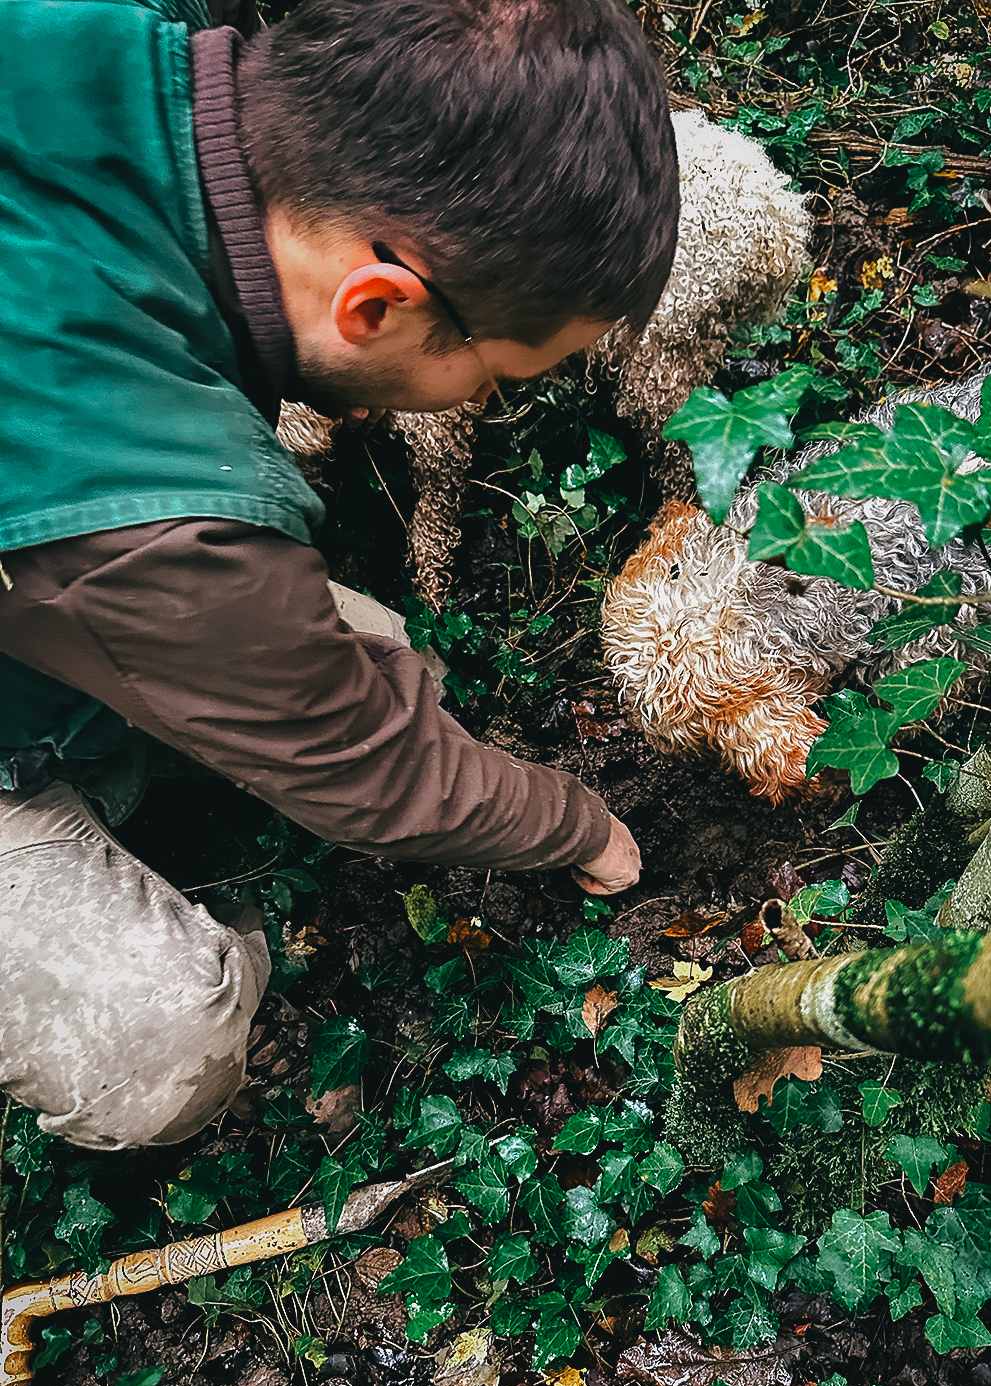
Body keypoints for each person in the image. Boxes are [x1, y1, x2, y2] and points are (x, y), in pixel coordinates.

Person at [0, 0, 679, 1149]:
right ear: (377, 305)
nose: (480, 404)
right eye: (496, 378)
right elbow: (381, 775)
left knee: (342, 640)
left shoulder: (94, 40)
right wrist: (580, 827)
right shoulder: (163, 516)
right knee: (160, 1050)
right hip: (71, 591)